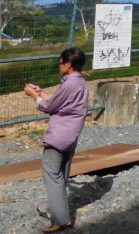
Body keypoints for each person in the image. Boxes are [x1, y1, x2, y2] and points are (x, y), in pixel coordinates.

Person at [23, 48, 89, 233]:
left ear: (68, 65)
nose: (59, 66)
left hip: (58, 136)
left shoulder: (69, 85)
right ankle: (57, 210)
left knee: (52, 176)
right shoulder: (80, 82)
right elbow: (59, 102)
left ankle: (60, 220)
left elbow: (47, 107)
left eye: (60, 63)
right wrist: (41, 92)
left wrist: (34, 96)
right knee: (61, 175)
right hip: (71, 136)